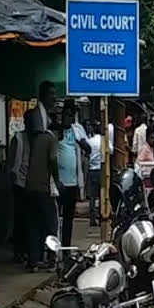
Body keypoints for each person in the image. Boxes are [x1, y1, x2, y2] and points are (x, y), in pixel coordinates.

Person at [26, 111, 59, 272]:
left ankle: (33, 262)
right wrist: (57, 180)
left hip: (30, 187)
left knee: (34, 225)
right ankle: (52, 261)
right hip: (43, 189)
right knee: (51, 225)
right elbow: (52, 159)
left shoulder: (36, 138)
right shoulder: (51, 139)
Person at [57, 105, 90, 247]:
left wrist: (80, 141)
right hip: (58, 183)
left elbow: (87, 148)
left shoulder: (76, 131)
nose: (69, 119)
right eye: (67, 115)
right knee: (56, 219)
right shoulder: (56, 131)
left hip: (72, 183)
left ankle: (66, 248)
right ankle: (54, 250)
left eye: (72, 116)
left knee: (68, 219)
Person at [8, 111, 33, 262]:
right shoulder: (19, 138)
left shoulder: (34, 138)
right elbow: (15, 164)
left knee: (28, 219)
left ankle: (25, 249)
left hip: (30, 183)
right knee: (20, 218)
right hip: (19, 183)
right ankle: (19, 250)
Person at [86, 121, 103, 227]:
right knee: (102, 194)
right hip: (100, 170)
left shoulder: (89, 141)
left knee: (92, 196)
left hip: (92, 169)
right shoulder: (103, 141)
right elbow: (110, 150)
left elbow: (86, 152)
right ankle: (101, 216)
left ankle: (92, 218)